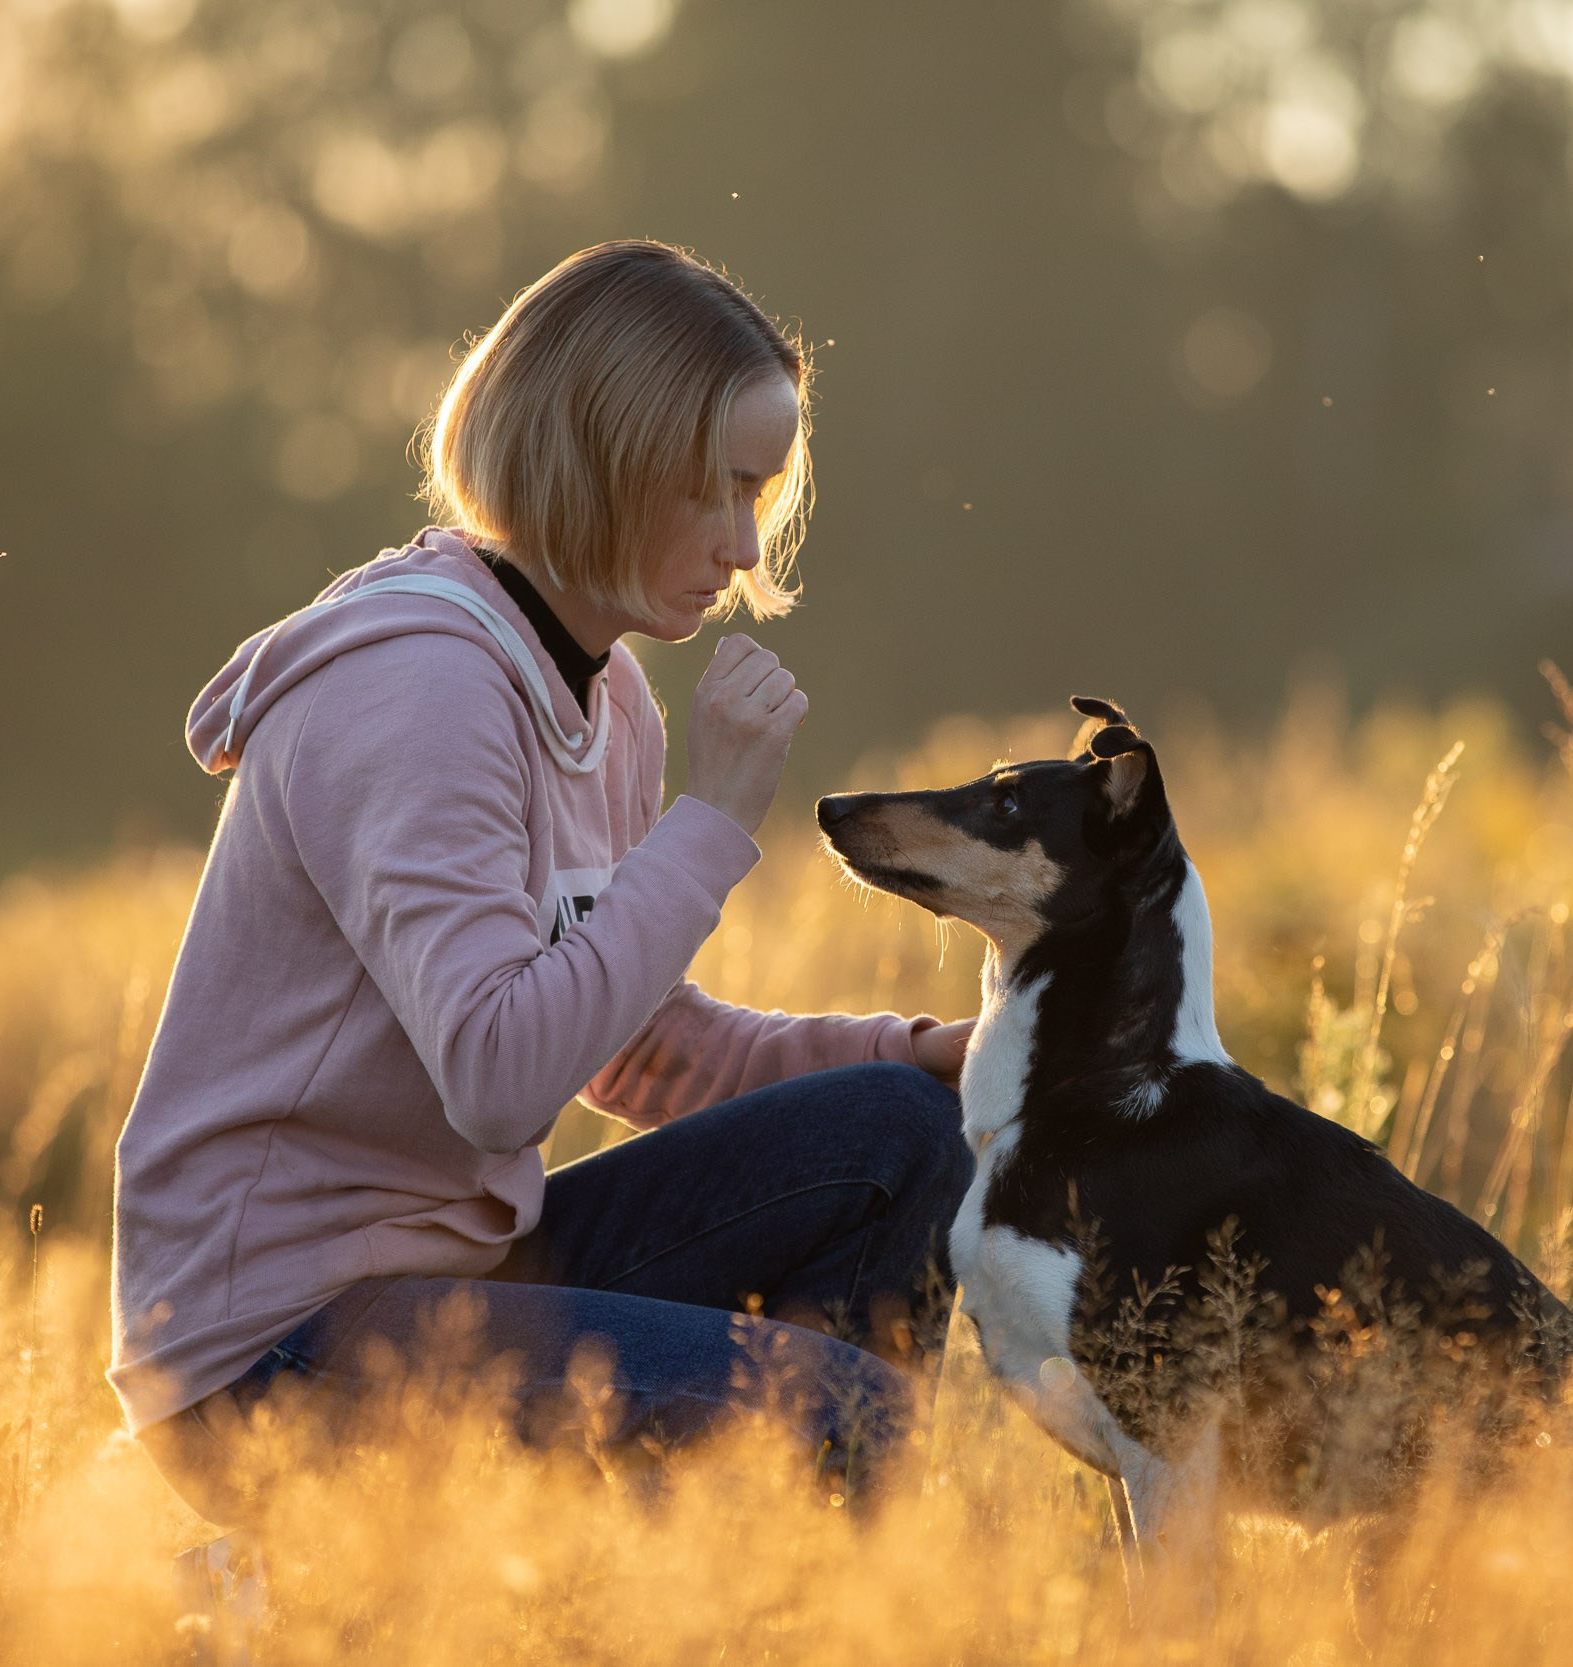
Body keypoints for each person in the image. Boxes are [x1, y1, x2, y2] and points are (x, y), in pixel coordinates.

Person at [109, 240, 976, 1524]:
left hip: (468, 1274)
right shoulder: (421, 686)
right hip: (272, 1347)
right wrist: (714, 821)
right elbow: (500, 1071)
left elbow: (626, 1046)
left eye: (764, 494)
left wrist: (925, 1052)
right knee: (839, 1410)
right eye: (718, 490)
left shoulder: (610, 692)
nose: (744, 546)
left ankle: (707, 1601)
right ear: (609, 458)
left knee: (902, 1132)